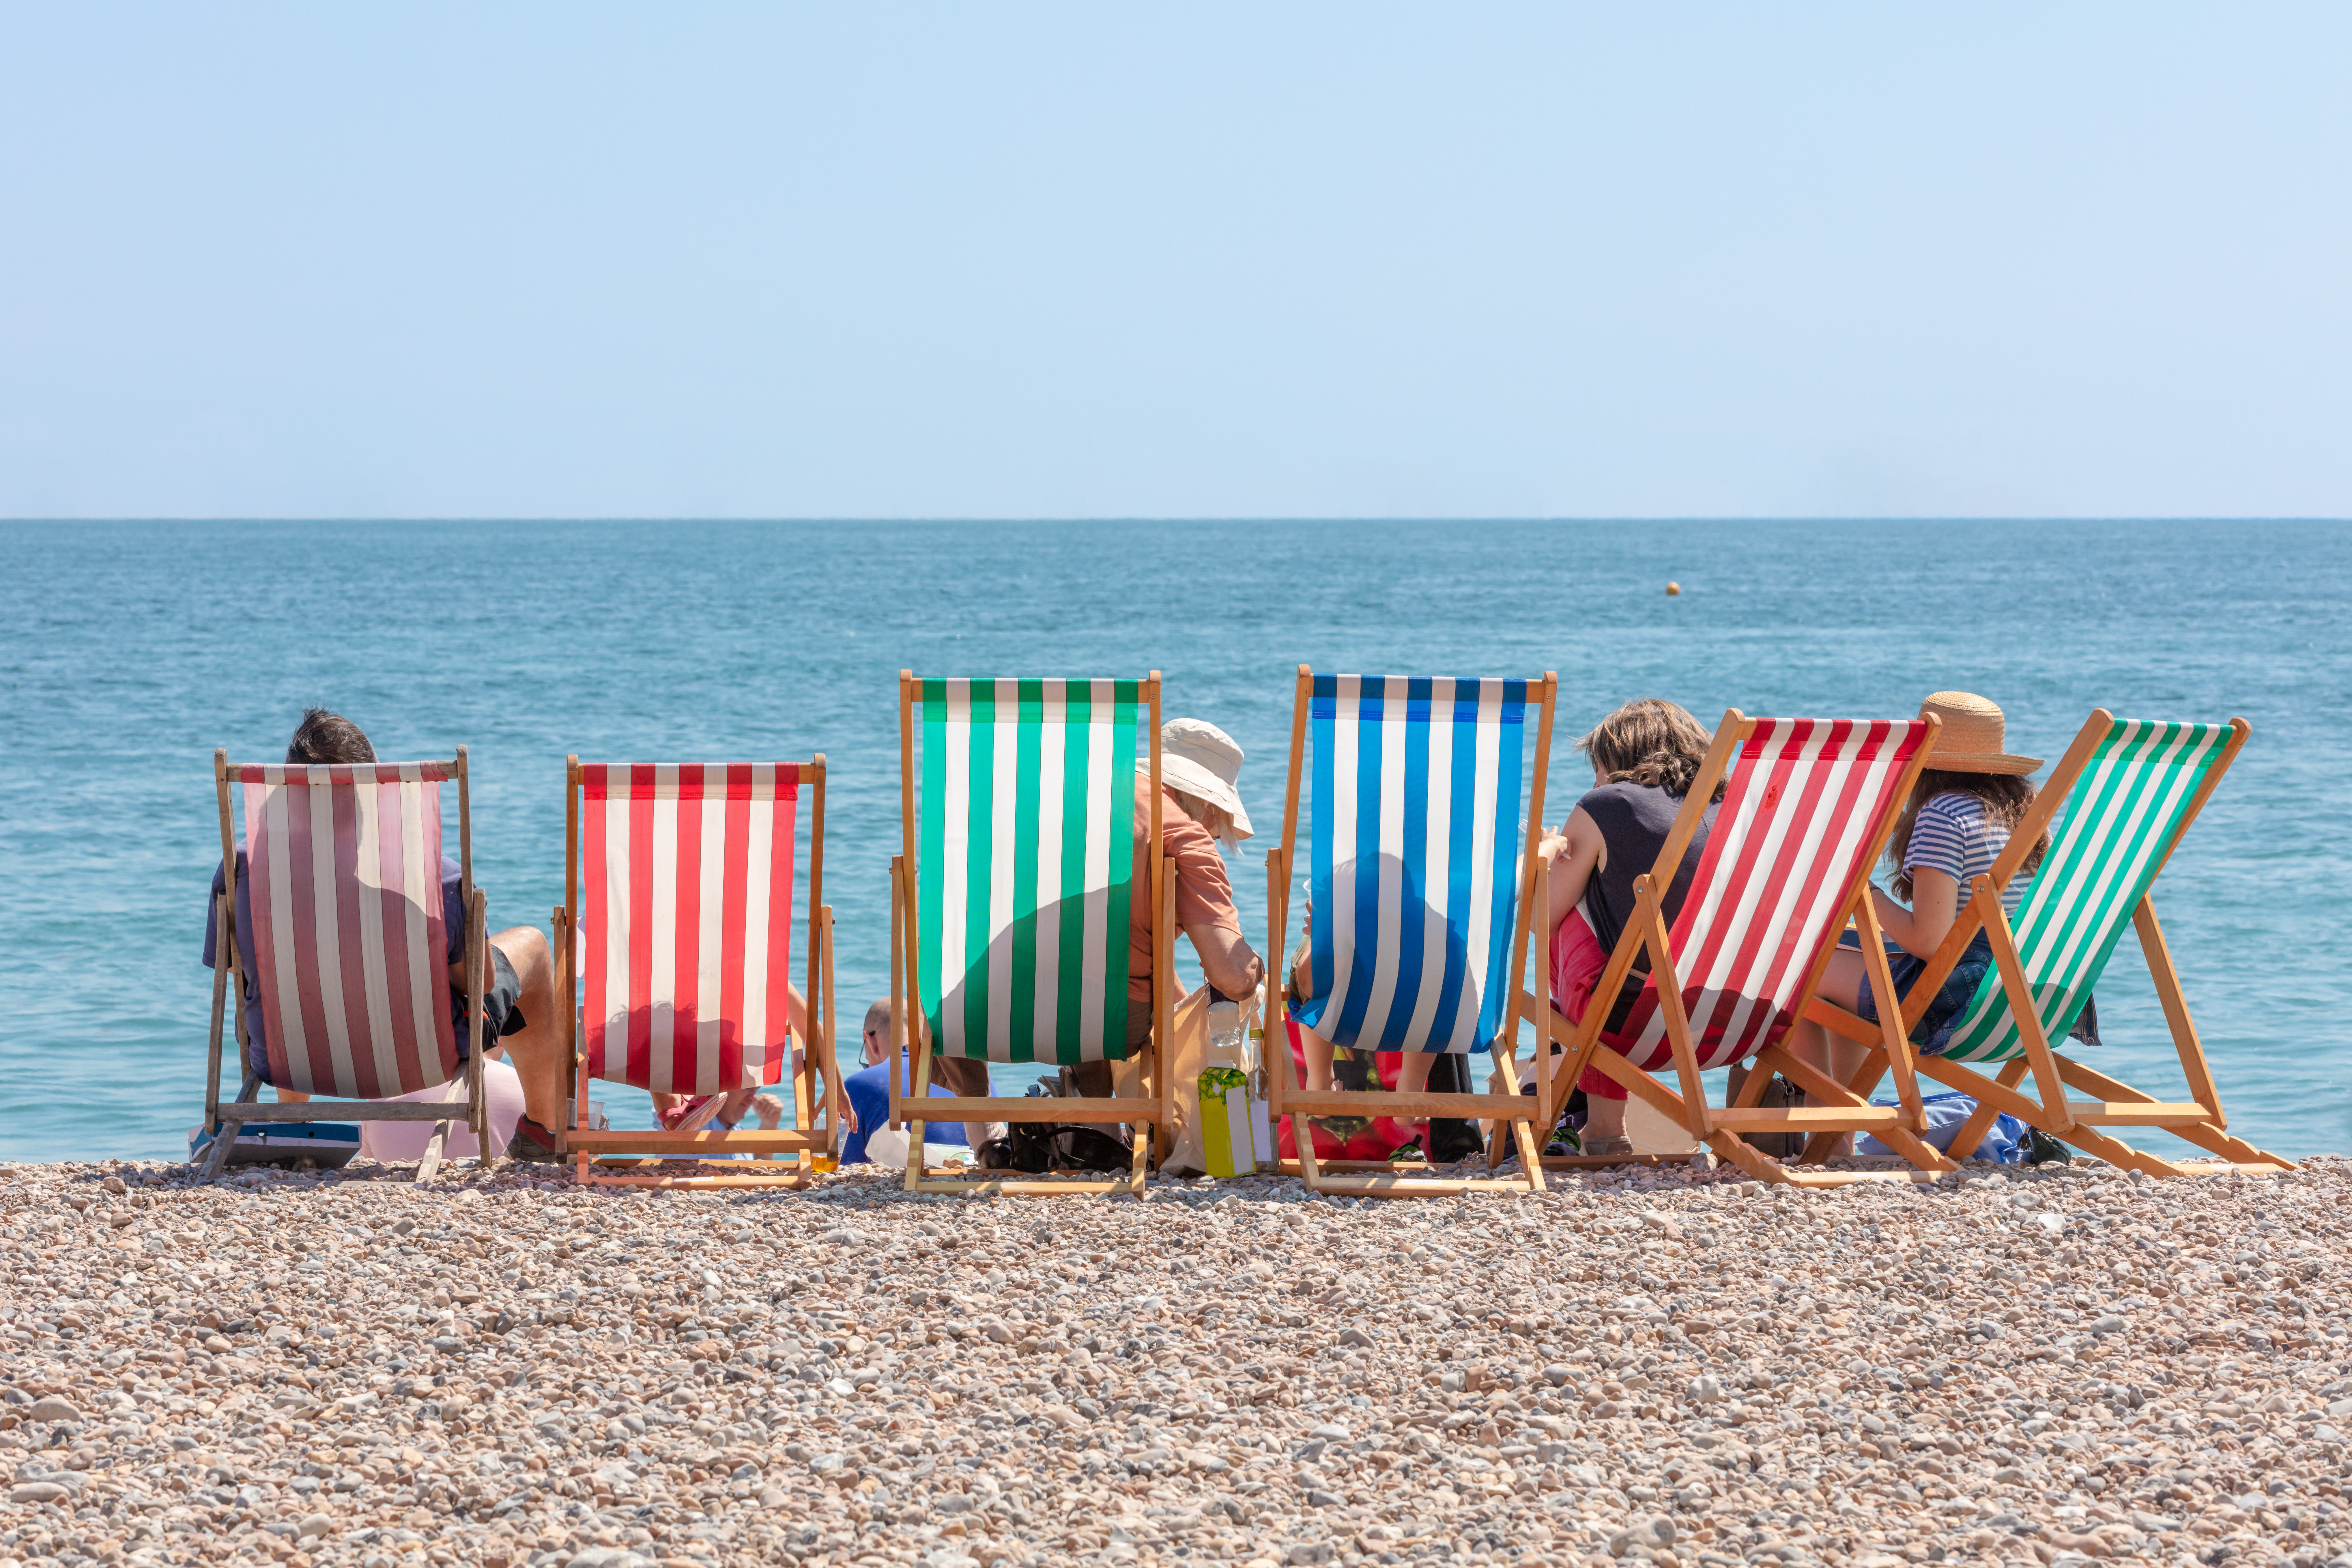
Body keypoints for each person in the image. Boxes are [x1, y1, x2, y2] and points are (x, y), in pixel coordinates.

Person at [201, 709, 574, 1162]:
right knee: (531, 944)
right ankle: (544, 1130)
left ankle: (291, 1126)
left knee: (287, 985)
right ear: (374, 795)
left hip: (285, 1055)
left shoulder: (241, 873)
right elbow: (480, 986)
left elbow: (240, 977)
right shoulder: (435, 878)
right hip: (417, 1060)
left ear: (288, 793)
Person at [971, 717, 1267, 1167]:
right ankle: (1103, 1130)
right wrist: (1256, 975)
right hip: (1101, 1020)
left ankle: (989, 1141)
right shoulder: (1181, 834)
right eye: (1217, 817)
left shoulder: (1052, 796)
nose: (1212, 828)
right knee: (1100, 993)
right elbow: (1229, 973)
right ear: (1205, 801)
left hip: (978, 1011)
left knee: (1068, 964)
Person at [1781, 691, 2051, 1153]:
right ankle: (1838, 1132)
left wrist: (1861, 895)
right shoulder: (2026, 818)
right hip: (2020, 996)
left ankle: (1824, 1124)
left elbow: (1929, 942)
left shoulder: (1943, 815)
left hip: (1952, 1000)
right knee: (1840, 953)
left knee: (1793, 972)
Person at [1532, 698, 1724, 1157]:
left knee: (1574, 913)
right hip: (1727, 1019)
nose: (1593, 781)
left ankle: (1602, 1126)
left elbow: (1541, 923)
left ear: (1617, 762)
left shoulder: (1608, 804)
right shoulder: (1731, 805)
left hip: (1631, 1024)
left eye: (1596, 768)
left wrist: (1544, 860)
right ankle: (1820, 1133)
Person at [842, 997, 974, 1165]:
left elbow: (845, 1170)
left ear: (870, 1041)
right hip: (981, 1176)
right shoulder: (975, 1082)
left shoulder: (858, 1087)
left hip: (907, 1184)